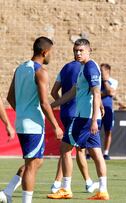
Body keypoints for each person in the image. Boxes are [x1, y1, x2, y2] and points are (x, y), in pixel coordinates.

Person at [47, 38, 109, 200]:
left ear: (89, 51)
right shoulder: (84, 68)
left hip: (84, 119)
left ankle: (65, 188)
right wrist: (52, 105)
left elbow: (96, 93)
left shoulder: (89, 68)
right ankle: (103, 190)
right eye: (75, 50)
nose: (77, 53)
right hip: (88, 118)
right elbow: (71, 93)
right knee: (96, 153)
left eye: (81, 50)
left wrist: (94, 120)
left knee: (65, 149)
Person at [4, 36, 64, 203]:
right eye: (51, 52)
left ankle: (7, 192)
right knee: (32, 164)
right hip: (34, 125)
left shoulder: (20, 68)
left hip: (23, 122)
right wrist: (56, 126)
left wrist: (22, 112)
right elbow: (45, 103)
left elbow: (10, 97)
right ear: (45, 52)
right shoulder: (41, 71)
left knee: (36, 162)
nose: (52, 55)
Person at [49, 60, 99, 193]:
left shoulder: (65, 67)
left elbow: (54, 91)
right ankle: (59, 183)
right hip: (78, 113)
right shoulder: (87, 67)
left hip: (65, 113)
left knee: (73, 148)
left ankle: (87, 182)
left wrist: (61, 103)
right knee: (72, 149)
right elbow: (95, 91)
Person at [100, 63, 118, 160]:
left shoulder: (113, 81)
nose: (101, 73)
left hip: (108, 110)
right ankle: (90, 152)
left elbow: (111, 92)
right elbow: (95, 94)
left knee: (108, 131)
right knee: (94, 131)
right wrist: (104, 93)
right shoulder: (97, 81)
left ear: (108, 71)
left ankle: (106, 153)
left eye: (102, 71)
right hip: (97, 109)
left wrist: (106, 81)